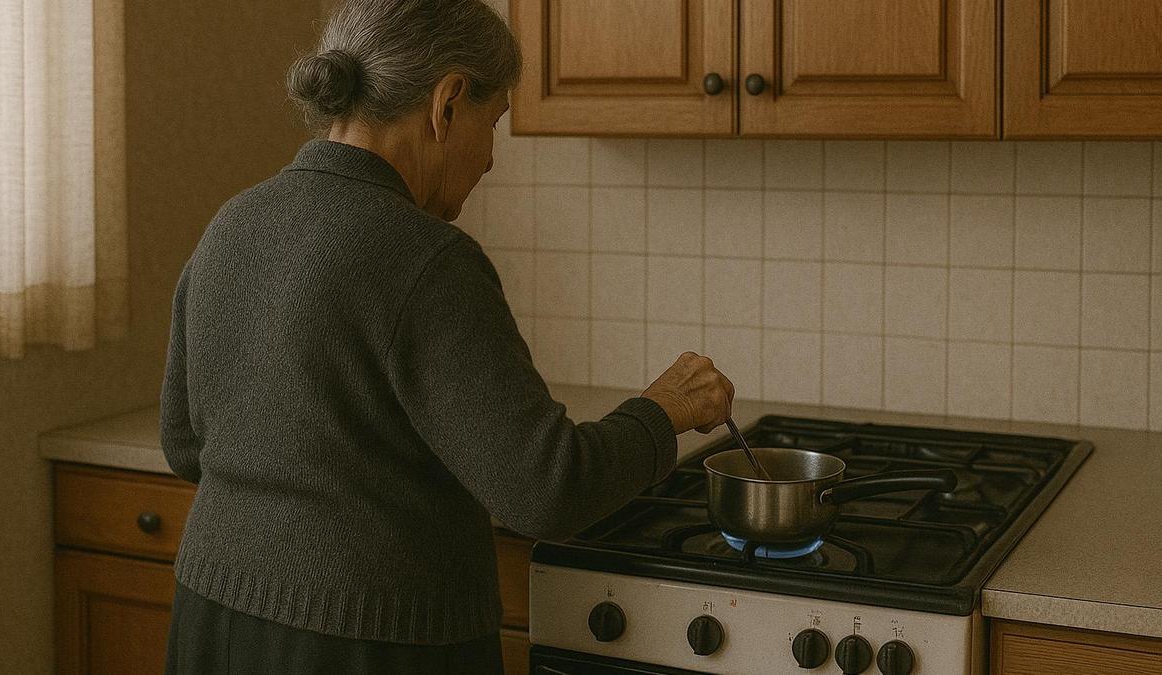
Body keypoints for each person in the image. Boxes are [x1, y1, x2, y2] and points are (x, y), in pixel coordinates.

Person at [160, 1, 735, 672]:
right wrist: (664, 408)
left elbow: (183, 441)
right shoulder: (426, 258)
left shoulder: (234, 223)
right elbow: (547, 490)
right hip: (369, 642)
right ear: (448, 102)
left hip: (210, 617)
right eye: (494, 125)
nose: (490, 159)